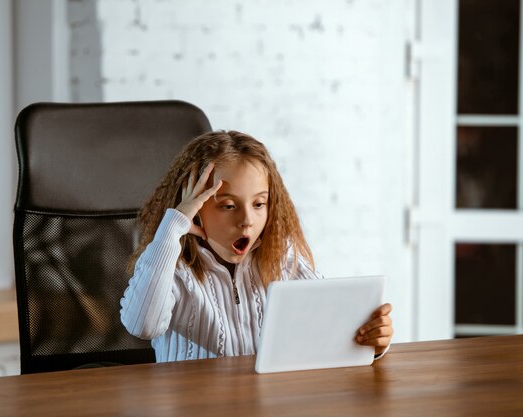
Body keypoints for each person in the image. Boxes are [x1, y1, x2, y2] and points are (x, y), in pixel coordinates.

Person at [120, 130, 393, 362]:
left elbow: (329, 327)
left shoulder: (282, 259)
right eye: (228, 206)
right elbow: (142, 325)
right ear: (195, 209)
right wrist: (173, 226)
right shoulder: (173, 268)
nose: (247, 221)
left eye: (259, 204)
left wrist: (371, 342)